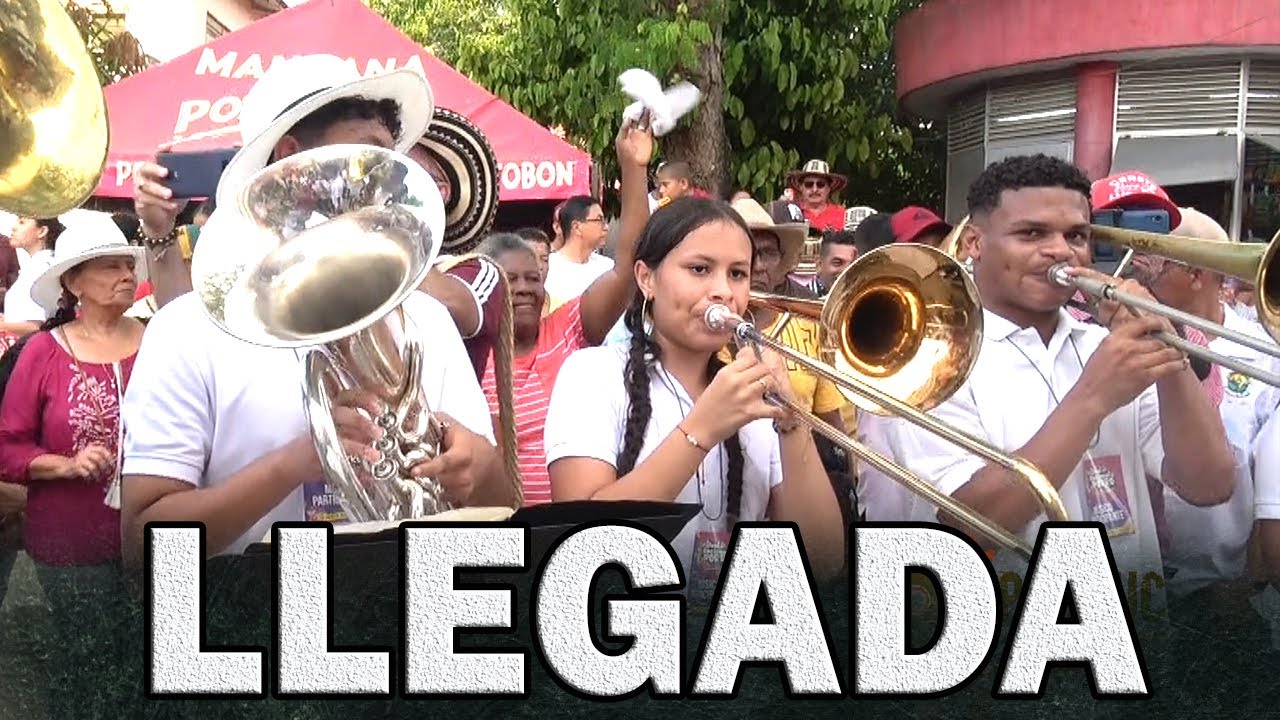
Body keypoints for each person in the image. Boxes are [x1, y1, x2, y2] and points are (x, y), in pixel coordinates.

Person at [119, 55, 508, 571]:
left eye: (393, 158)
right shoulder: (187, 329)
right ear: (292, 160)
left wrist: (480, 469)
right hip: (254, 633)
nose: (391, 179)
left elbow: (505, 509)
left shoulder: (428, 322)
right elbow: (140, 548)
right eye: (369, 155)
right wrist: (301, 460)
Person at [888, 154, 1235, 622]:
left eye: (1076, 236)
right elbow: (969, 526)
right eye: (1031, 233)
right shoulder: (932, 359)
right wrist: (1094, 396)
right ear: (974, 241)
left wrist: (1164, 343)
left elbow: (1210, 484)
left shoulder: (1110, 345)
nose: (1060, 251)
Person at [543, 197, 846, 600]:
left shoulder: (751, 392)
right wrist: (701, 429)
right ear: (646, 278)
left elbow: (823, 562)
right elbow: (582, 543)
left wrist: (793, 421)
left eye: (738, 274)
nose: (723, 291)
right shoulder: (592, 373)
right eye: (700, 269)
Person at [0, 212, 147, 719]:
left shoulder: (159, 341)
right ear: (73, 282)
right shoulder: (42, 352)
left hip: (157, 529)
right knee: (92, 657)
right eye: (108, 267)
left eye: (128, 264)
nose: (126, 275)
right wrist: (62, 466)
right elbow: (7, 445)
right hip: (72, 538)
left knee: (151, 656)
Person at [475, 120, 651, 505]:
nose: (522, 287)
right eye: (509, 279)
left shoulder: (569, 329)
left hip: (572, 527)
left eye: (532, 278)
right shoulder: (471, 359)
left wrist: (633, 168)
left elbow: (626, 269)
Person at [1126, 207, 1280, 620]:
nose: (1140, 274)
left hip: (1227, 589)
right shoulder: (1126, 334)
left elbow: (1269, 475)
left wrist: (1248, 581)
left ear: (1196, 275)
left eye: (1154, 264)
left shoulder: (1264, 352)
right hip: (1138, 582)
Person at [544, 195, 613, 310]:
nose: (606, 227)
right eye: (599, 220)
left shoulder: (608, 267)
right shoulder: (549, 268)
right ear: (577, 227)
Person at [1, 216, 64, 337]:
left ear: (42, 231)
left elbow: (35, 327)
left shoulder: (42, 268)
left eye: (22, 222)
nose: (14, 227)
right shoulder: (38, 265)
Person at [785, 159, 846, 232]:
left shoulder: (842, 215)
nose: (814, 190)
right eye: (809, 184)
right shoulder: (791, 212)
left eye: (820, 185)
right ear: (800, 187)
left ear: (829, 188)